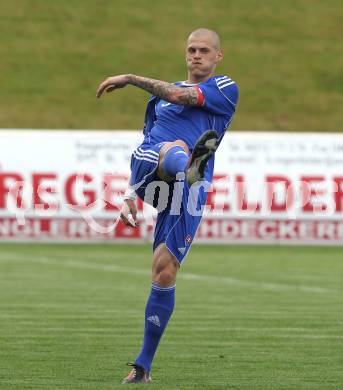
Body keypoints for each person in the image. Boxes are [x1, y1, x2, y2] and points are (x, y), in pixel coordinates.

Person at [96, 28, 239, 384]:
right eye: (191, 49)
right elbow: (146, 138)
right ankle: (185, 164)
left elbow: (180, 93)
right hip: (153, 166)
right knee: (169, 145)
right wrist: (129, 194)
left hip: (189, 190)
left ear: (218, 56)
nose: (196, 55)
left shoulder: (224, 88)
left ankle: (143, 366)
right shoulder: (157, 102)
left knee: (164, 272)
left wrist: (129, 77)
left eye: (204, 50)